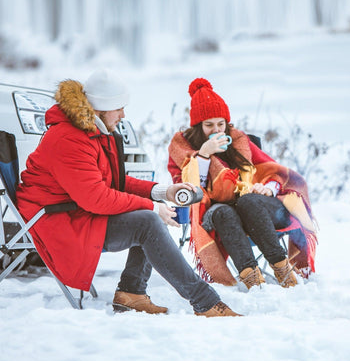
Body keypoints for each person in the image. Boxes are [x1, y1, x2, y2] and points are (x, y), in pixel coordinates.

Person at [16, 69, 240, 317]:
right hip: (57, 220)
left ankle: (132, 293)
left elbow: (112, 181)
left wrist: (162, 192)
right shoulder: (69, 139)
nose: (123, 115)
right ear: (100, 108)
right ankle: (206, 302)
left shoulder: (88, 132)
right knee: (147, 222)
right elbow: (97, 198)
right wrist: (151, 206)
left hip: (75, 211)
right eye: (119, 108)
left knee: (147, 220)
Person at [168, 78, 317, 290]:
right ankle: (253, 281)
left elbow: (274, 171)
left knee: (248, 201)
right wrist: (203, 156)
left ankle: (284, 271)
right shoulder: (182, 149)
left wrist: (268, 188)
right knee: (224, 213)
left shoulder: (239, 141)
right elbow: (191, 190)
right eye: (209, 125)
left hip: (258, 207)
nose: (216, 130)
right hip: (216, 211)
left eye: (221, 124)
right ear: (198, 126)